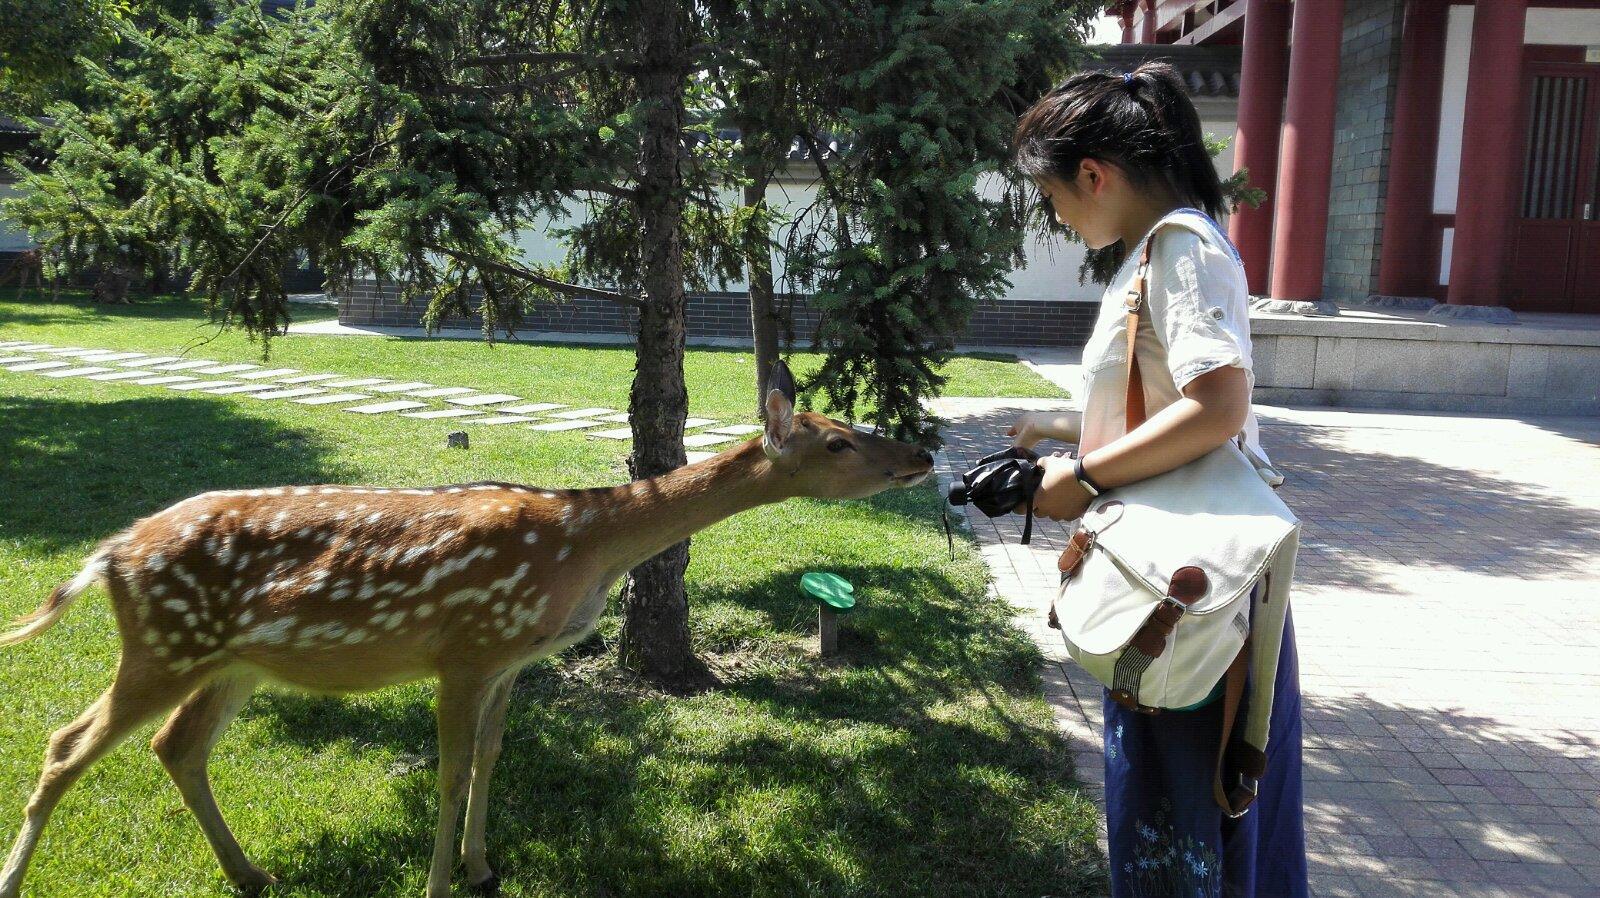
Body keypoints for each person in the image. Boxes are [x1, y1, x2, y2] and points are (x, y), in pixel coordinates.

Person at [1005, 63, 1307, 897]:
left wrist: (1086, 475)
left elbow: (1217, 409)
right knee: (1175, 817)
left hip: (1198, 603)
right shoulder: (1158, 255)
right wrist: (1065, 429)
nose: (1057, 216)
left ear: (1094, 175)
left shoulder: (1181, 248)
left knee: (1191, 822)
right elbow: (1174, 405)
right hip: (1178, 591)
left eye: (1055, 196)